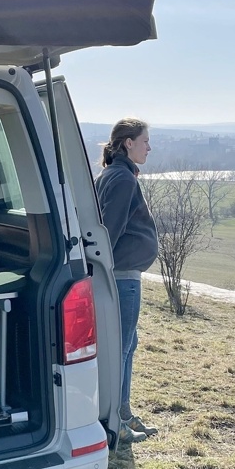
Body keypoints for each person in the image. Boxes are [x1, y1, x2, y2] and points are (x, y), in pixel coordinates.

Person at [95, 117, 160, 445]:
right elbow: (110, 229)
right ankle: (114, 422)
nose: (149, 147)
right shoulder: (122, 179)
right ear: (128, 143)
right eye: (145, 141)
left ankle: (122, 411)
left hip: (121, 275)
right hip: (121, 278)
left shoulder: (113, 174)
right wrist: (104, 269)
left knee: (127, 345)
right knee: (119, 349)